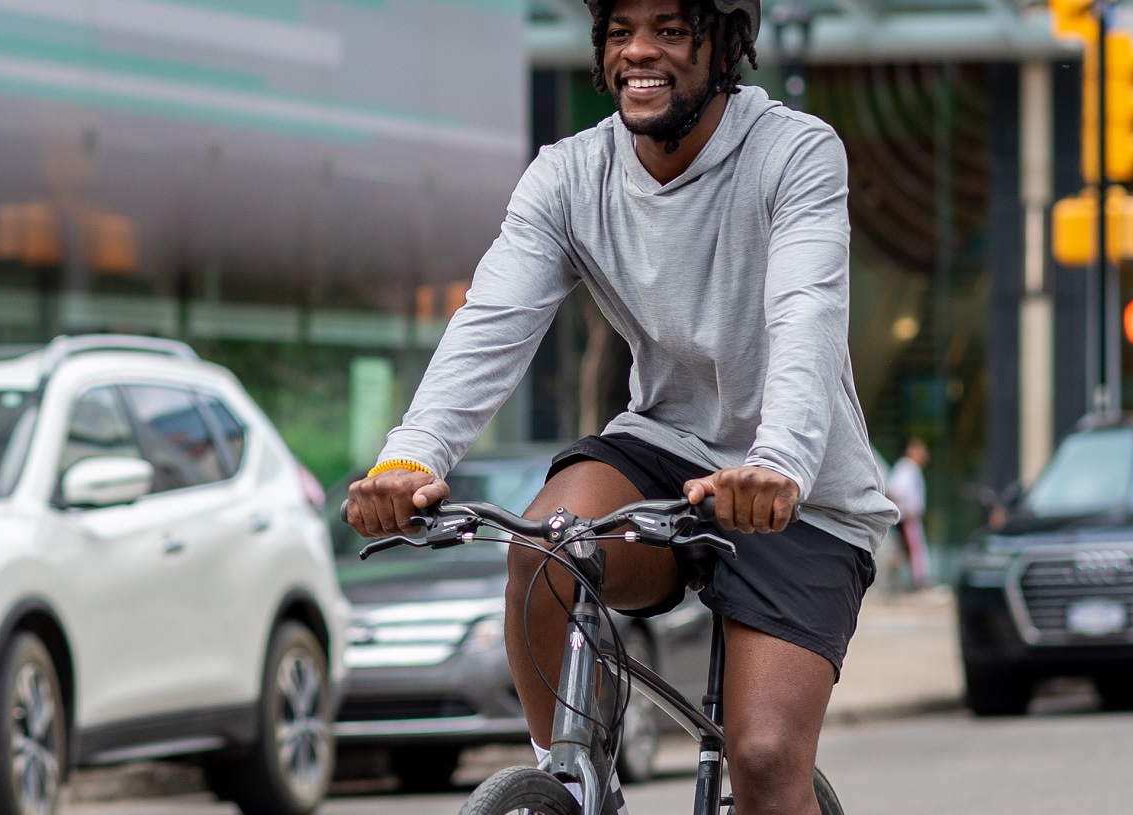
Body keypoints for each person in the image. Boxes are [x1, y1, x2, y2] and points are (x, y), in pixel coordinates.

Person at [344, 0, 896, 810]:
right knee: (546, 547)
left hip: (800, 489)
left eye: (671, 30)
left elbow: (804, 315)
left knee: (766, 756)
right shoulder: (569, 175)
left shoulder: (795, 152)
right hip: (662, 448)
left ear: (722, 46)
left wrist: (777, 463)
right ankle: (571, 785)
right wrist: (409, 460)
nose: (640, 51)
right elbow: (491, 324)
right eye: (620, 31)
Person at [886, 438, 930, 590]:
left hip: (908, 518)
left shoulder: (910, 468)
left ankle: (895, 583)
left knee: (904, 552)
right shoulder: (906, 467)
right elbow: (894, 491)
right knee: (912, 551)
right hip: (907, 518)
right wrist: (907, 508)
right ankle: (916, 583)